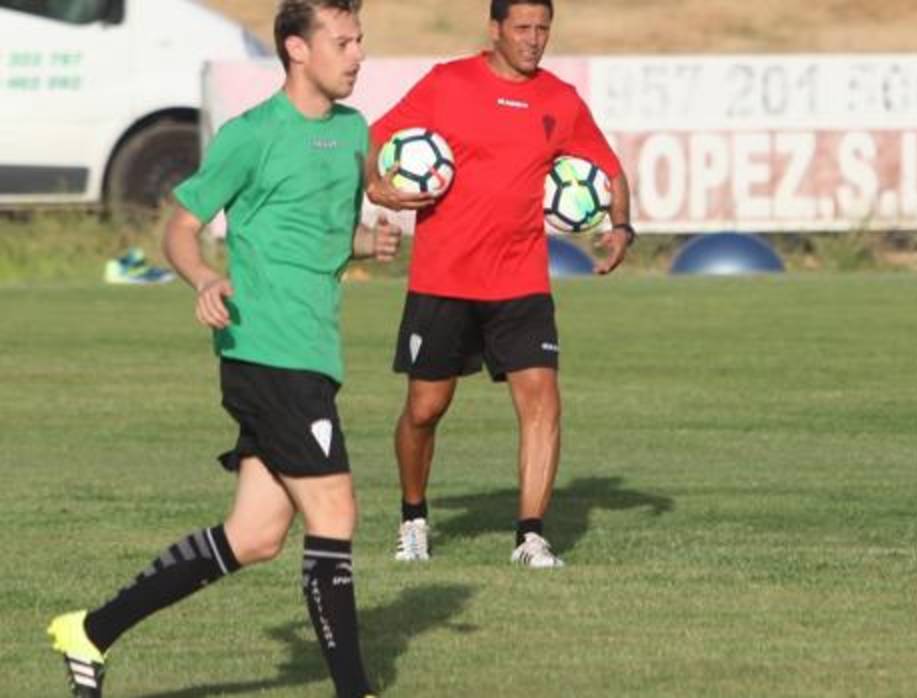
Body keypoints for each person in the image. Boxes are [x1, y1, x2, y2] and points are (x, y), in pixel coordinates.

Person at [47, 2, 398, 696]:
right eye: (342, 41)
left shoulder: (353, 131)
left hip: (312, 354)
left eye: (360, 39)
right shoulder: (251, 135)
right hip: (268, 353)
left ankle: (89, 630)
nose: (357, 54)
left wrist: (370, 242)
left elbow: (316, 231)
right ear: (298, 50)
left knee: (257, 534)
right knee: (335, 514)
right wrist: (205, 275)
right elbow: (180, 227)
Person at [365, 0, 633, 569]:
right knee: (425, 408)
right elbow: (374, 137)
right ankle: (413, 517)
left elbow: (609, 171)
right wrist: (376, 186)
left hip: (521, 280)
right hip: (443, 277)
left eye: (543, 29)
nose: (534, 40)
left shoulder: (560, 99)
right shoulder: (447, 82)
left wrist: (621, 225)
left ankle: (530, 534)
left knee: (543, 402)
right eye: (523, 29)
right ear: (495, 29)